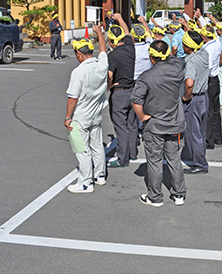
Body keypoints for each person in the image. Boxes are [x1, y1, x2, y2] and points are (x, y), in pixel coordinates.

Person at [132, 40, 187, 207]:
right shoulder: (177, 69)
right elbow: (175, 58)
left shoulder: (146, 77)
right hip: (175, 123)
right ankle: (179, 194)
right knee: (174, 159)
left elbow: (136, 100)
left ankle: (155, 197)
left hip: (155, 124)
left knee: (155, 161)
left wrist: (142, 117)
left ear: (151, 57)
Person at [63, 26, 108, 193]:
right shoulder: (101, 65)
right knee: (97, 146)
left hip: (81, 116)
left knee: (82, 150)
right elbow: (103, 50)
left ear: (79, 54)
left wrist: (68, 117)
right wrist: (99, 34)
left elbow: (72, 97)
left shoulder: (78, 72)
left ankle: (86, 182)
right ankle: (100, 175)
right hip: (96, 113)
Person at [105, 14, 137, 169]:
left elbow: (110, 75)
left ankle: (122, 158)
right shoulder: (130, 47)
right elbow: (127, 31)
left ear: (111, 41)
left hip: (119, 93)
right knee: (131, 124)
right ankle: (132, 153)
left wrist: (108, 86)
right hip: (132, 90)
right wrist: (120, 18)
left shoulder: (113, 55)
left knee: (121, 127)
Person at [180, 26, 210, 174]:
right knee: (201, 132)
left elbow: (189, 83)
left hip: (195, 99)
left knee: (193, 133)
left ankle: (200, 164)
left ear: (188, 47)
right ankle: (201, 156)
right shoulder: (204, 54)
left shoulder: (190, 62)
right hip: (204, 96)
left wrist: (186, 96)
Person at [201, 25, 222, 150]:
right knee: (215, 110)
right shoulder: (217, 42)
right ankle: (217, 137)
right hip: (215, 78)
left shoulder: (207, 49)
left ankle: (209, 140)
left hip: (209, 79)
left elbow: (207, 66)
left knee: (208, 111)